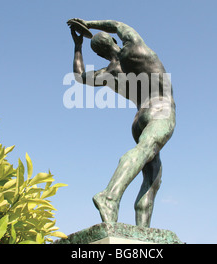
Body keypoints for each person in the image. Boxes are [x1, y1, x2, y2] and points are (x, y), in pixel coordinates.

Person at [68, 18, 176, 228]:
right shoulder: (135, 48)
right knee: (146, 151)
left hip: (138, 120)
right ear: (113, 39)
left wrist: (78, 46)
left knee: (153, 178)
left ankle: (143, 230)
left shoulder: (108, 74)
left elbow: (80, 77)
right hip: (161, 108)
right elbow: (117, 24)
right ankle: (109, 196)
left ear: (100, 54)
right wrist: (89, 24)